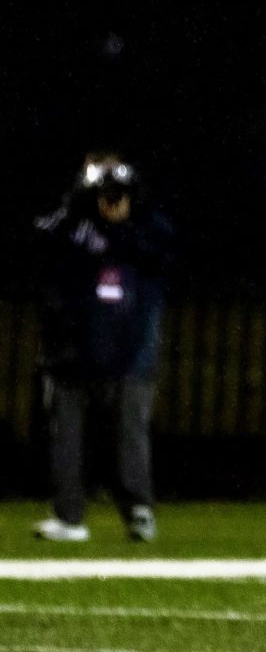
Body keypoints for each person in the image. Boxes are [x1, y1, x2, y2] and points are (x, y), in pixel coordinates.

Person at [30, 151, 175, 542]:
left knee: (128, 436)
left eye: (120, 193)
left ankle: (139, 511)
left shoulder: (149, 232)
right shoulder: (72, 230)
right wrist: (73, 205)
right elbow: (41, 239)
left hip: (130, 351)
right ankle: (69, 516)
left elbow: (160, 248)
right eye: (104, 193)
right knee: (67, 436)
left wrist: (120, 231)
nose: (112, 202)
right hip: (72, 351)